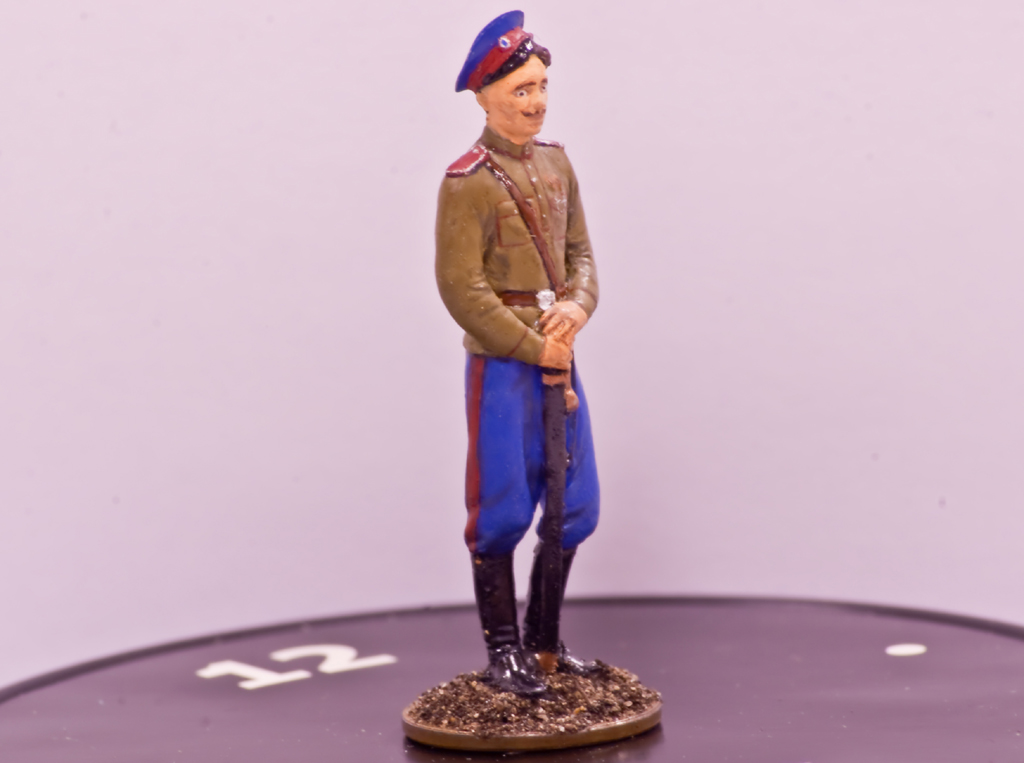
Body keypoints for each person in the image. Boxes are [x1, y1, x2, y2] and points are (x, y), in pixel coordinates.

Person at [435, 10, 601, 696]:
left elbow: (580, 253)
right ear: (485, 97)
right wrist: (536, 347)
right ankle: (503, 649)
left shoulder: (556, 162)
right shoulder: (468, 181)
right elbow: (463, 289)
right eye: (520, 90)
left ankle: (545, 641)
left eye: (540, 87)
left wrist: (578, 306)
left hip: (559, 352)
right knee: (502, 507)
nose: (535, 102)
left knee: (576, 503)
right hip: (506, 364)